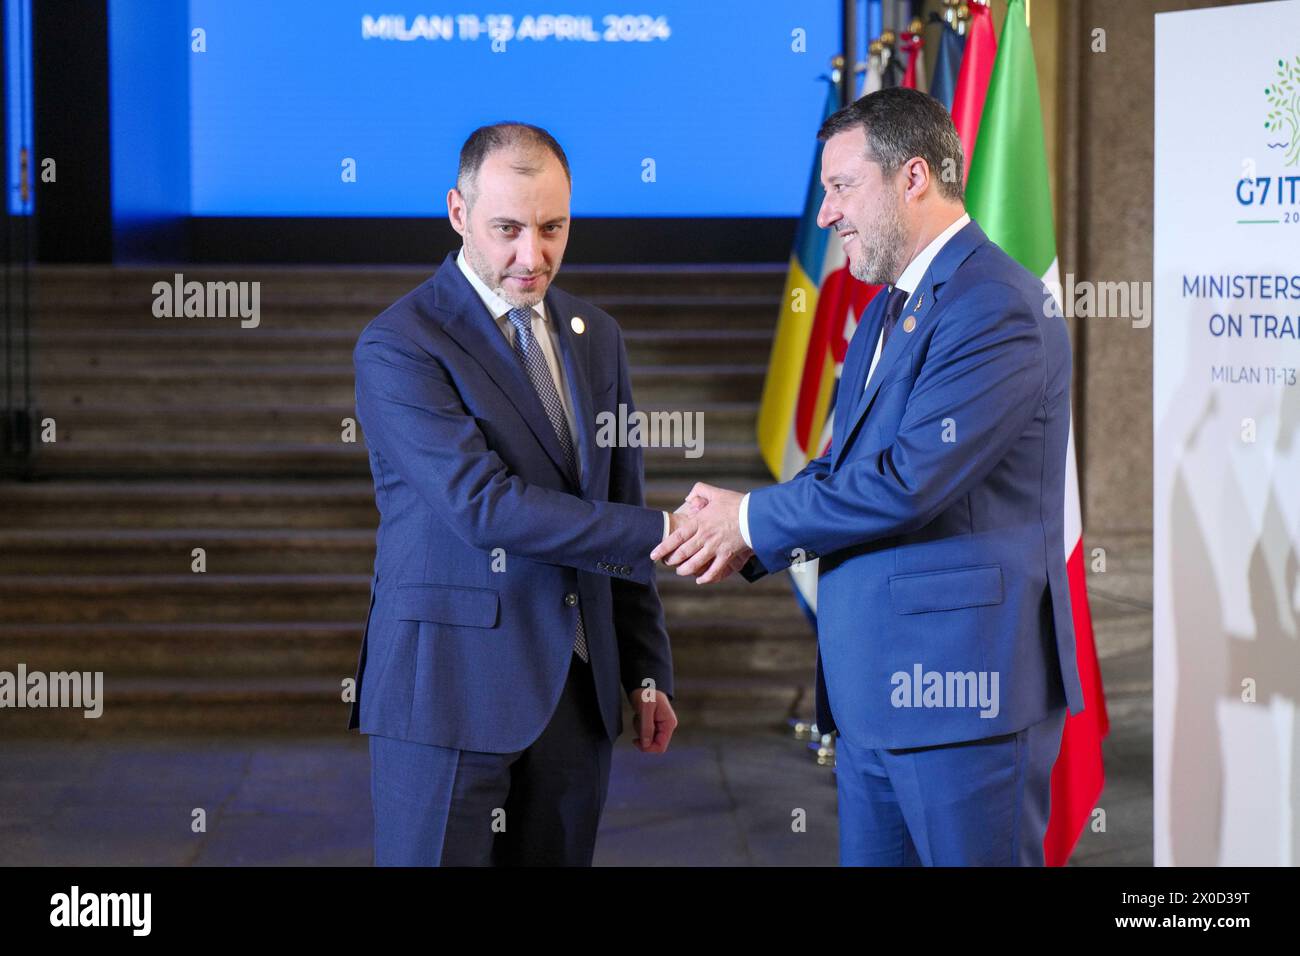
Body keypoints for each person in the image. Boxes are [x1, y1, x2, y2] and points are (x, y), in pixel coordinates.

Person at [653, 87, 1085, 866]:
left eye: (841, 187)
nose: (826, 214)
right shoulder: (892, 306)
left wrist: (750, 520)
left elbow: (907, 481)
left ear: (912, 177)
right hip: (875, 699)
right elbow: (843, 469)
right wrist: (744, 534)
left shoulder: (997, 307)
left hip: (963, 706)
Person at [349, 122, 682, 866]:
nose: (532, 256)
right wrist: (671, 529)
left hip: (579, 694)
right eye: (506, 228)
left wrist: (646, 669)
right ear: (458, 212)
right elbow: (483, 506)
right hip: (448, 694)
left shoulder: (598, 336)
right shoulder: (399, 343)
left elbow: (616, 497)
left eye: (553, 227)